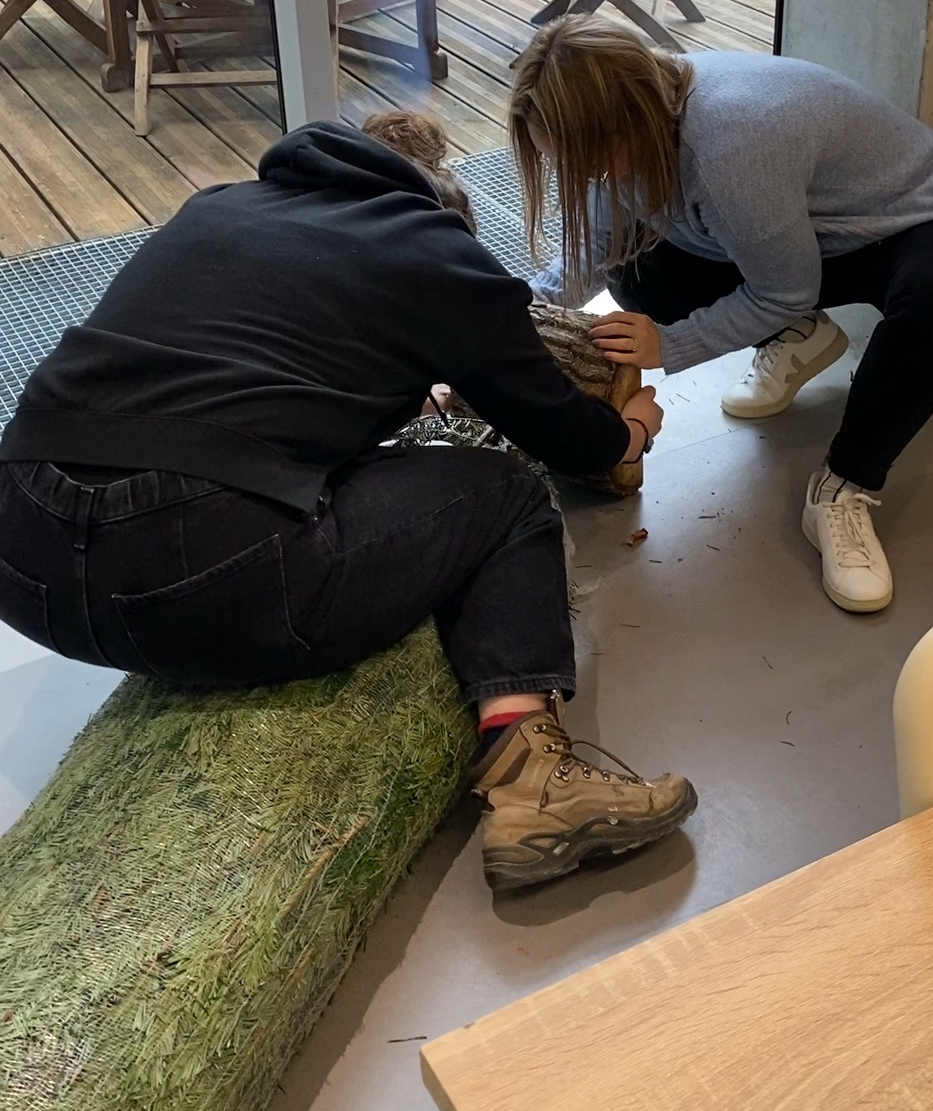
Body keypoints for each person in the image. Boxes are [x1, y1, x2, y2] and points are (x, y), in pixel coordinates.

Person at [0, 117, 696, 895]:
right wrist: (628, 434)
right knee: (505, 493)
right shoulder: (436, 251)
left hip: (23, 556)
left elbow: (236, 378)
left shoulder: (220, 208)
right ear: (443, 206)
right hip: (202, 567)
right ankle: (535, 780)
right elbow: (564, 435)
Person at [511, 17, 933, 615]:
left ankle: (842, 486)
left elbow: (787, 289)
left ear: (626, 122)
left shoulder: (731, 148)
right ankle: (797, 339)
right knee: (635, 271)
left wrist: (672, 343)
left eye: (588, 164)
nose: (583, 178)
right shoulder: (634, 112)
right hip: (808, 232)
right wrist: (519, 307)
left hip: (925, 221)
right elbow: (599, 243)